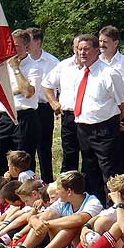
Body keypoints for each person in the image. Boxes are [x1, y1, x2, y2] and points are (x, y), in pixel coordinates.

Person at [73, 34, 124, 205]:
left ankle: (114, 207)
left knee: (109, 171)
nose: (82, 52)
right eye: (80, 49)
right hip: (83, 127)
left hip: (104, 129)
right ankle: (95, 205)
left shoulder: (109, 73)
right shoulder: (81, 73)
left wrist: (115, 122)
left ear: (97, 50)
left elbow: (123, 103)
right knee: (89, 170)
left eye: (87, 49)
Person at [11, 171, 104, 248]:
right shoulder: (62, 202)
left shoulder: (93, 202)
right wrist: (35, 220)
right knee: (42, 223)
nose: (57, 193)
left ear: (69, 191)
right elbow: (45, 215)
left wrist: (46, 223)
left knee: (71, 226)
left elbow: (79, 219)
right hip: (66, 247)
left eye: (59, 189)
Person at [0, 29, 43, 174]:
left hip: (24, 117)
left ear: (27, 47)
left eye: (16, 46)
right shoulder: (2, 66)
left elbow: (28, 92)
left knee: (22, 162)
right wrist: (15, 90)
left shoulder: (34, 67)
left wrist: (16, 69)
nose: (11, 49)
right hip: (5, 116)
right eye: (9, 45)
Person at [99, 25, 124, 173]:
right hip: (102, 114)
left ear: (115, 43)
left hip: (122, 111)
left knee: (122, 152)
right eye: (100, 41)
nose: (102, 44)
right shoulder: (96, 62)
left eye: (105, 41)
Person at [42, 36, 81, 173]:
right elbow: (47, 84)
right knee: (69, 155)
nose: (81, 52)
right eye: (78, 48)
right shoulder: (64, 66)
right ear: (73, 48)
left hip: (90, 118)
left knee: (90, 157)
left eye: (84, 48)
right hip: (69, 116)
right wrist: (53, 102)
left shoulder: (97, 67)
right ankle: (67, 188)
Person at [27, 27, 60, 183]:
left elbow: (61, 86)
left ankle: (47, 180)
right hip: (26, 108)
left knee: (44, 146)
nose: (26, 44)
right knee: (28, 147)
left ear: (38, 42)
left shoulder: (53, 62)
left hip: (44, 107)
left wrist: (56, 103)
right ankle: (30, 180)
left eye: (30, 40)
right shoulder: (20, 60)